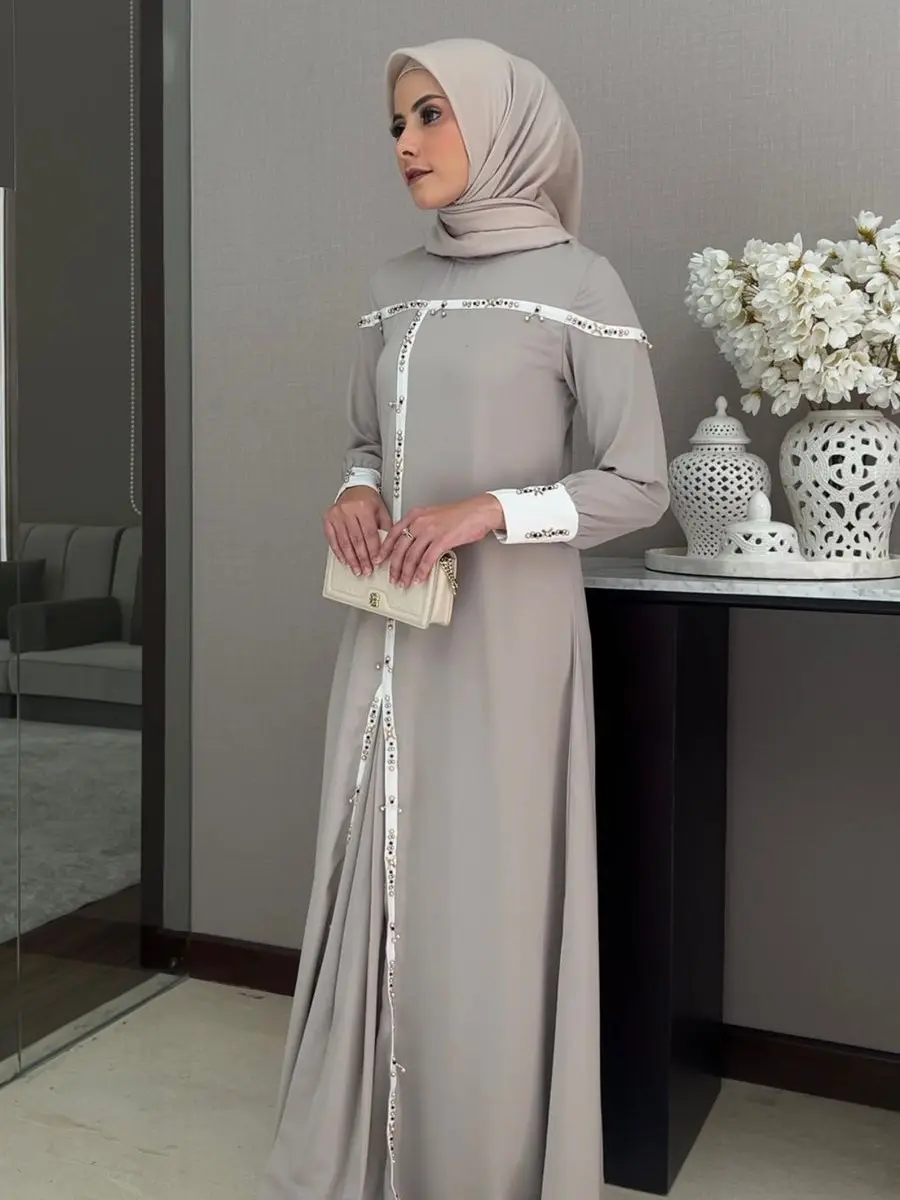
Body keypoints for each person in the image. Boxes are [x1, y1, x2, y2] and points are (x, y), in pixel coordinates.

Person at [260, 37, 668, 1200]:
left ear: (503, 124)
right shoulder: (391, 284)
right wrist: (354, 493)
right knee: (381, 866)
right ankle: (360, 1153)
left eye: (432, 114)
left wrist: (489, 510)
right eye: (396, 123)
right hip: (391, 633)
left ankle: (475, 1161)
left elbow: (639, 484)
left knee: (486, 892)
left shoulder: (581, 283)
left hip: (508, 641)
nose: (406, 143)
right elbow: (365, 442)